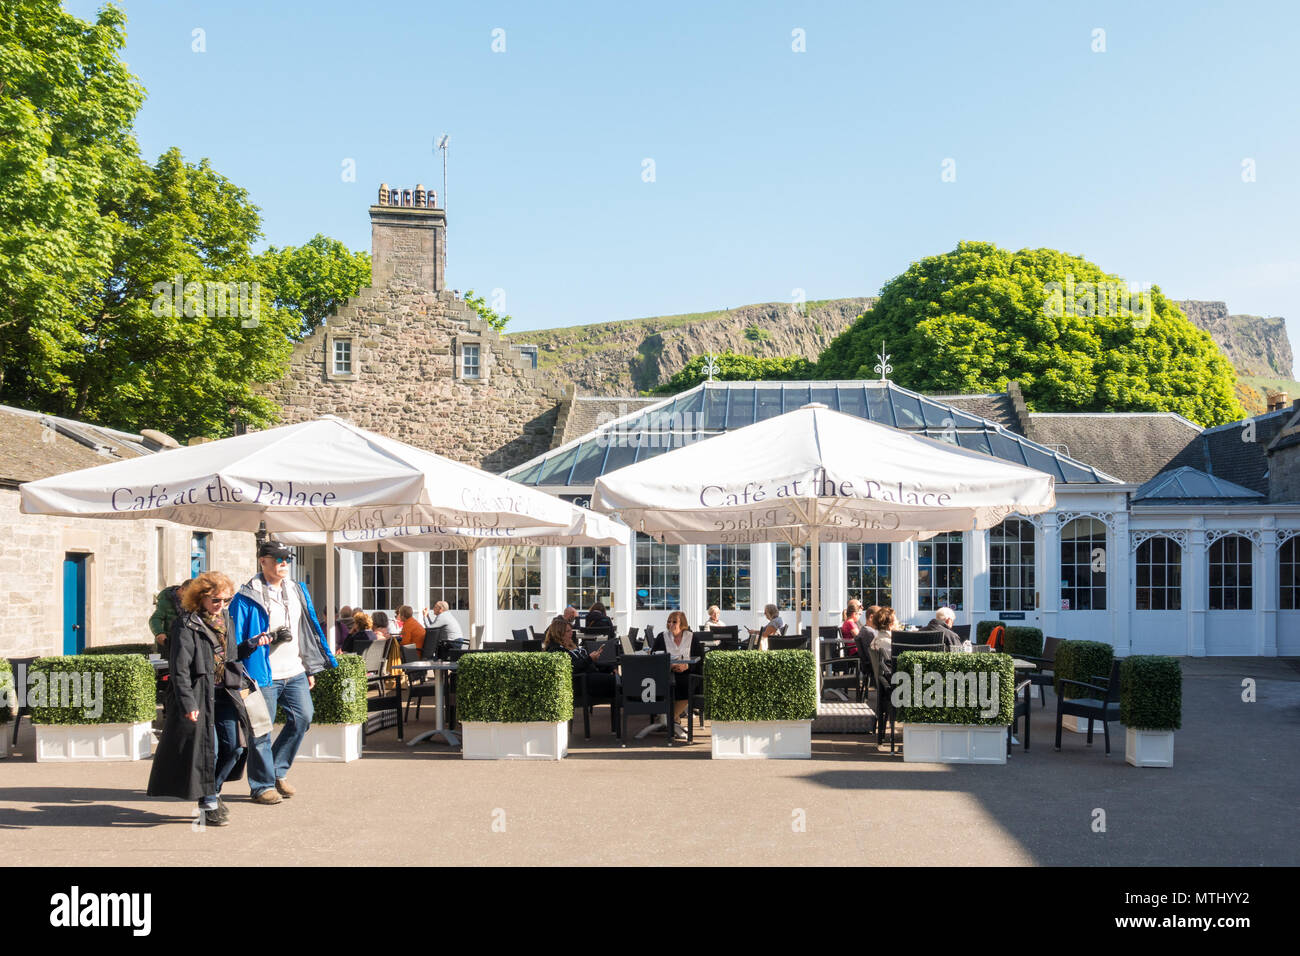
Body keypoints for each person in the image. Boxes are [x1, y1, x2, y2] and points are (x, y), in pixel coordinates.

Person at [229, 540, 336, 805]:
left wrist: (309, 665)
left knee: (303, 718)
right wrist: (259, 642)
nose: (283, 564)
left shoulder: (297, 590)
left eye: (286, 559)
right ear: (262, 561)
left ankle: (277, 769)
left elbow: (307, 629)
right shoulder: (246, 597)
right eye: (277, 559)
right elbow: (234, 639)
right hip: (262, 674)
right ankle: (262, 785)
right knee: (260, 730)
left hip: (295, 670)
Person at [148, 571, 254, 827]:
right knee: (210, 752)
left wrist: (251, 645)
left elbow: (229, 656)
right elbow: (179, 668)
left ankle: (214, 791)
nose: (222, 605)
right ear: (201, 598)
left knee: (236, 748)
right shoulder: (185, 624)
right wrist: (188, 703)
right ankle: (208, 803)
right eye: (216, 600)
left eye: (226, 600)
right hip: (198, 695)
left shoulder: (226, 619)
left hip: (225, 693)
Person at [650, 611, 701, 739]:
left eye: (674, 622)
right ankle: (674, 721)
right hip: (668, 673)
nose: (671, 624)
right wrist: (670, 666)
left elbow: (701, 659)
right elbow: (654, 657)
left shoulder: (692, 637)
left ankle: (670, 720)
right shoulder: (662, 637)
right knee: (670, 683)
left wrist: (687, 666)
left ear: (682, 623)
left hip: (687, 673)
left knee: (689, 684)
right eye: (669, 621)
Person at [542, 615, 615, 697]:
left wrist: (609, 668)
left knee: (621, 683)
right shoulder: (556, 650)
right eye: (568, 631)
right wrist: (590, 659)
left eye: (571, 630)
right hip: (582, 683)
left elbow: (583, 663)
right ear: (559, 634)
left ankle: (627, 703)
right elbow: (571, 667)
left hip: (590, 677)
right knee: (620, 683)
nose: (571, 633)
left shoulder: (569, 645)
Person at [149, 579, 192, 648]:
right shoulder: (166, 600)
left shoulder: (193, 601)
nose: (190, 598)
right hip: (169, 642)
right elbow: (155, 619)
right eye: (189, 594)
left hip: (187, 641)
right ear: (182, 589)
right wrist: (159, 633)